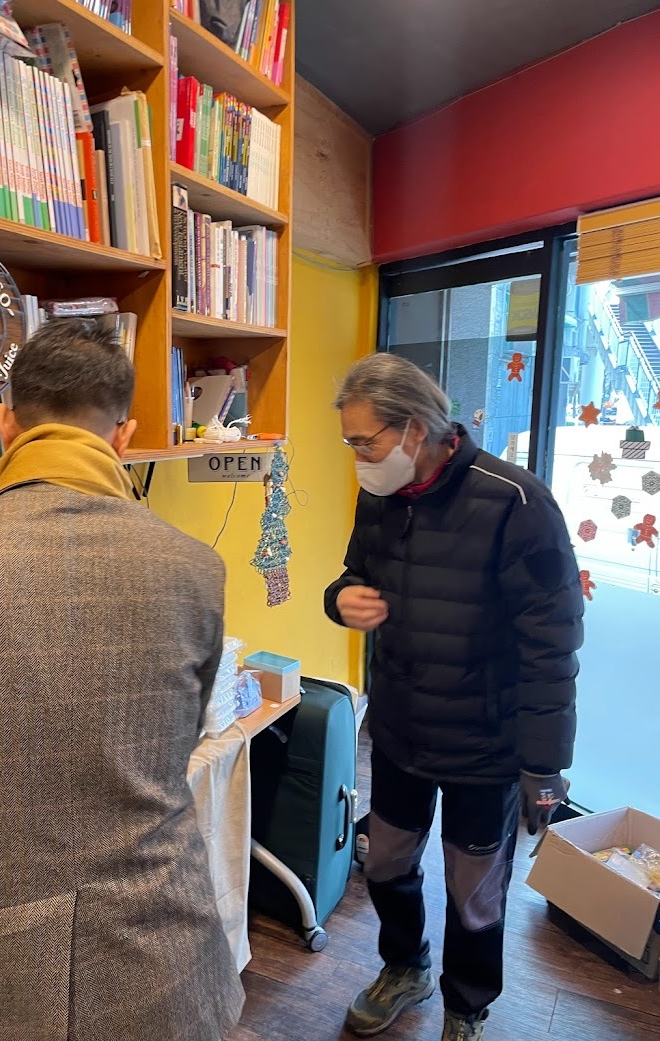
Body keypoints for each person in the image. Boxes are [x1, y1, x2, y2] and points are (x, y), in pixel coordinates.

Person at [0, 319, 244, 1041]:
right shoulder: (194, 567)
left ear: (6, 422)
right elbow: (177, 736)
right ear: (123, 437)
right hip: (153, 957)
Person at [324, 354, 583, 1041]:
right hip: (401, 728)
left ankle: (466, 1007)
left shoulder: (517, 502)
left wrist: (543, 765)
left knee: (475, 891)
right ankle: (403, 966)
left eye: (364, 441)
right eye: (350, 442)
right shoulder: (381, 496)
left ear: (414, 428)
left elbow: (551, 646)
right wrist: (339, 599)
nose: (357, 457)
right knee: (385, 863)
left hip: (484, 744)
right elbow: (354, 574)